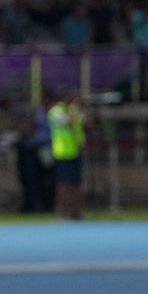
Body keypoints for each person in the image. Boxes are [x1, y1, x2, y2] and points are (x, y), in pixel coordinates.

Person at [48, 90, 87, 220]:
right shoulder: (56, 112)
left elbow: (85, 122)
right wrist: (74, 112)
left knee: (76, 183)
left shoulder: (72, 111)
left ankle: (76, 211)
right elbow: (67, 123)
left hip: (75, 151)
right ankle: (63, 210)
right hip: (62, 153)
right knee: (65, 184)